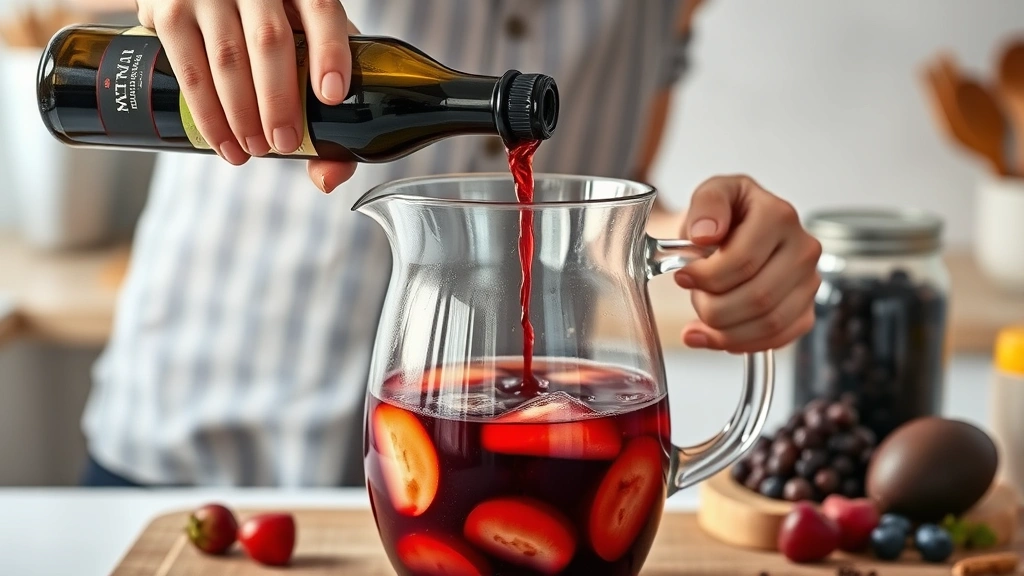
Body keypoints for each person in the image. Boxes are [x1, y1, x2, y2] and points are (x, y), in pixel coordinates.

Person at [75, 0, 823, 487]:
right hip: (189, 463)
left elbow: (607, 215)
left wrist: (731, 254)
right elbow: (48, 16)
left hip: (491, 489)